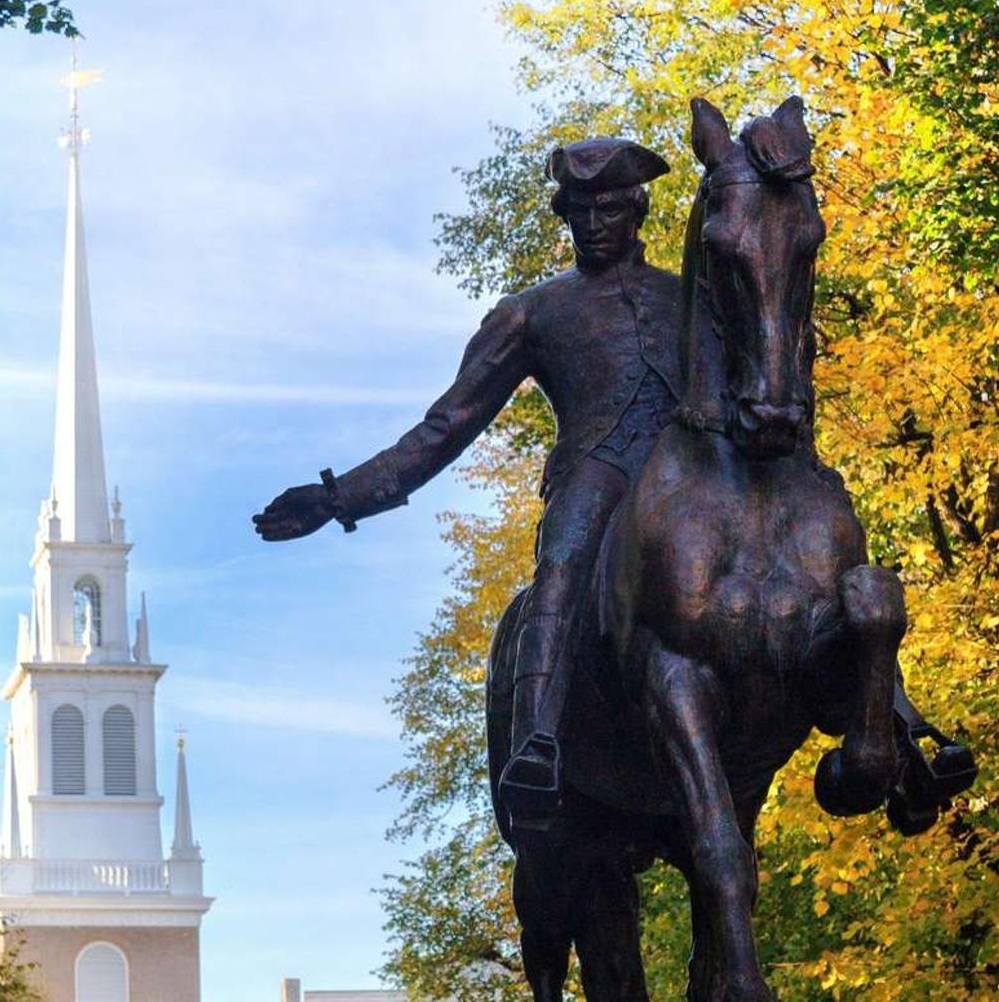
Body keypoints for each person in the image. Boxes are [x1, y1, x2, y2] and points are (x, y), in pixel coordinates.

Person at [253, 137, 684, 822]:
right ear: (564, 216)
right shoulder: (533, 312)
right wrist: (338, 498)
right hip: (597, 471)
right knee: (564, 565)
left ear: (638, 207)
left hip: (688, 476)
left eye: (609, 207)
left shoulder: (687, 297)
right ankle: (537, 739)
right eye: (580, 210)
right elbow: (444, 427)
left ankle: (888, 714)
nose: (596, 223)